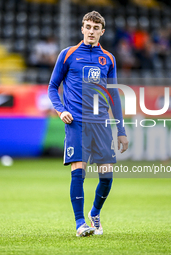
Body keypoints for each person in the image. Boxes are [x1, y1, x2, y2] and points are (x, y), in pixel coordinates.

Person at [48, 11, 129, 237]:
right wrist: (61, 109)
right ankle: (80, 223)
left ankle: (95, 213)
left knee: (106, 176)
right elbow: (52, 87)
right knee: (78, 171)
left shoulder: (109, 59)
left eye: (95, 28)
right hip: (76, 122)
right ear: (81, 29)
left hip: (101, 124)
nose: (91, 31)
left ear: (102, 32)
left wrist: (121, 130)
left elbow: (113, 97)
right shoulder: (68, 55)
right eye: (87, 27)